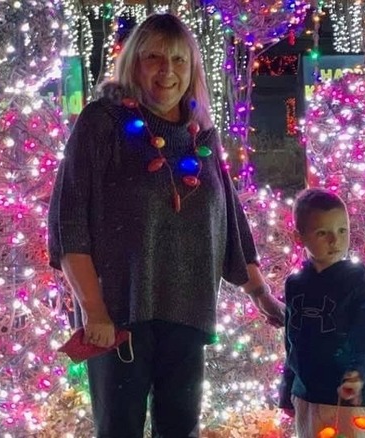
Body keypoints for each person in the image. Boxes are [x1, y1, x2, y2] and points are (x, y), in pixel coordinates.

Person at [47, 13, 285, 437]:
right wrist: (94, 309)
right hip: (119, 318)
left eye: (179, 59)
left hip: (188, 313)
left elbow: (230, 223)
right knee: (119, 428)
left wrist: (262, 295)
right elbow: (70, 223)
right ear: (133, 63)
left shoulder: (201, 137)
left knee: (180, 429)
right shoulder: (103, 123)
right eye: (154, 57)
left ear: (192, 68)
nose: (167, 71)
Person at [279, 188, 365, 438]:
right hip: (307, 395)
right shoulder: (296, 284)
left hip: (346, 395)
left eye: (342, 231)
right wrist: (287, 388)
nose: (335, 241)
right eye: (322, 233)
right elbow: (292, 340)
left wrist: (357, 374)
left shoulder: (359, 282)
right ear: (299, 237)